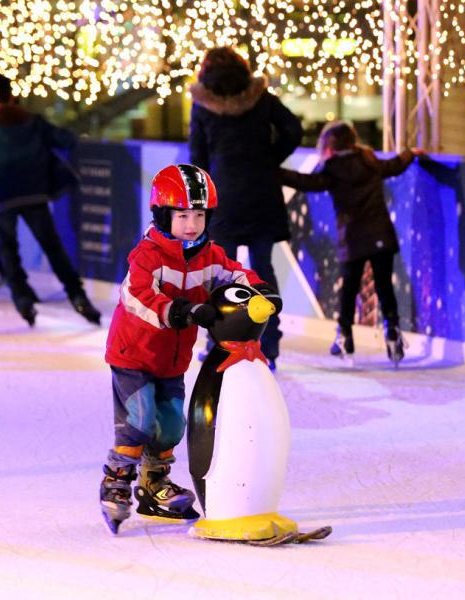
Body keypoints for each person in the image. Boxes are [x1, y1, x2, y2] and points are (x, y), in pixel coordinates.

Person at [99, 164, 282, 533]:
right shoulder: (148, 255)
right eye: (182, 215)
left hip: (172, 360)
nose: (191, 224)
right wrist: (179, 310)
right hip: (133, 353)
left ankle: (155, 486)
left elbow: (235, 274)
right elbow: (136, 297)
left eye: (198, 215)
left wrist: (259, 289)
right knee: (139, 420)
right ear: (164, 215)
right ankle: (116, 482)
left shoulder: (210, 255)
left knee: (170, 425)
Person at [0, 74, 101, 327]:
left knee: (8, 250)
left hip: (0, 195)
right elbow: (67, 140)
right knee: (52, 247)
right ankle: (77, 295)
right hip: (34, 193)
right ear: (12, 95)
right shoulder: (32, 122)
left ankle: (22, 298)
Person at [189, 46, 302, 370]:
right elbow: (293, 129)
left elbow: (197, 155)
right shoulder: (261, 98)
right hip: (261, 192)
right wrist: (270, 157)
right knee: (262, 269)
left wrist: (204, 193)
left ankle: (218, 342)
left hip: (223, 196)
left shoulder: (202, 105)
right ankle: (270, 345)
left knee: (221, 273)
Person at [279, 120, 424, 364]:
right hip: (381, 235)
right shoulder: (370, 161)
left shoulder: (332, 169)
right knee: (384, 286)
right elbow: (395, 165)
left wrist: (275, 172)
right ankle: (393, 332)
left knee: (349, 290)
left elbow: (307, 183)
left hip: (354, 238)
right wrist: (410, 154)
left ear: (329, 144)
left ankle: (344, 335)